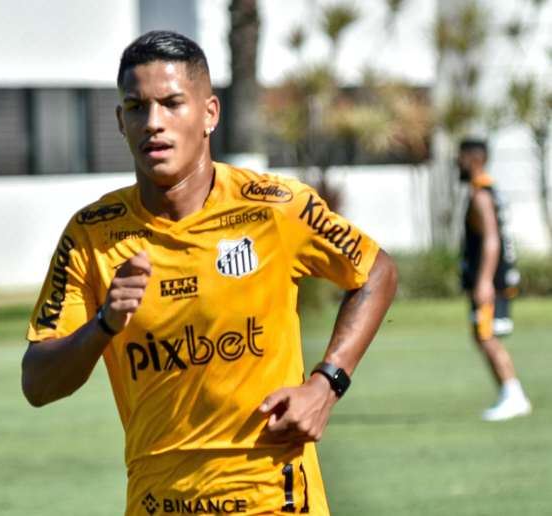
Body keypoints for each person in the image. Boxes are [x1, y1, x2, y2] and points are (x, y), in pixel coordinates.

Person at [21, 30, 397, 515]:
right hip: (158, 504)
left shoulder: (274, 209)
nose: (153, 123)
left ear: (209, 114)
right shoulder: (92, 235)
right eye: (137, 107)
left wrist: (326, 383)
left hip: (273, 500)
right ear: (120, 121)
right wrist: (104, 326)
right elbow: (38, 383)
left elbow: (376, 271)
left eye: (172, 103)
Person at [457, 138, 531, 422]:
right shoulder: (490, 190)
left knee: (487, 337)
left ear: (474, 159)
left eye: (460, 157)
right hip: (498, 277)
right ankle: (509, 393)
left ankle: (513, 395)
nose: (457, 162)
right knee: (483, 335)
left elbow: (491, 239)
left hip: (491, 280)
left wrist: (484, 281)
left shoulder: (481, 195)